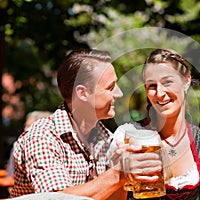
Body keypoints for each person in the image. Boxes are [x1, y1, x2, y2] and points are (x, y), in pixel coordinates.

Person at [111, 48, 200, 199]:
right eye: (152, 86)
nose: (160, 93)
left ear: (186, 81)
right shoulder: (127, 137)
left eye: (167, 82)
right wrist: (121, 173)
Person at [11, 49, 149, 199]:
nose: (119, 93)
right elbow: (54, 198)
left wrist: (121, 177)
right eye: (110, 87)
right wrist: (117, 174)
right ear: (82, 93)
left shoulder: (106, 138)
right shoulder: (43, 136)